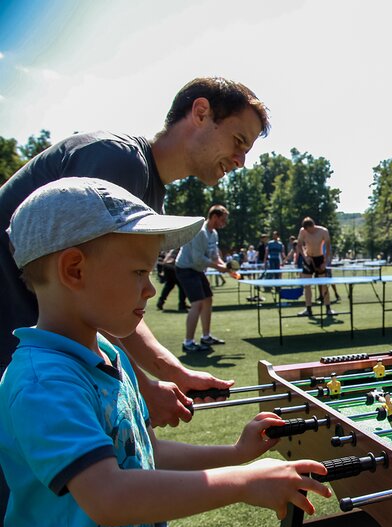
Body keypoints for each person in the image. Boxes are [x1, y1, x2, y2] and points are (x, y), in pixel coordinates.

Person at [0, 178, 331, 527]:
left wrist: (236, 453)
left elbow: (145, 455)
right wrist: (243, 482)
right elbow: (109, 496)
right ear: (74, 270)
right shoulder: (43, 382)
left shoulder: (109, 353)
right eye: (139, 272)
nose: (151, 289)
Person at [0, 76, 265, 421]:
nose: (241, 160)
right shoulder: (119, 161)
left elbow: (116, 298)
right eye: (238, 141)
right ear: (200, 112)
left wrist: (173, 373)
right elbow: (96, 293)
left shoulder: (145, 185)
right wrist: (142, 386)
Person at [175, 205, 231, 352]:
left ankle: (206, 337)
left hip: (197, 269)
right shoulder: (201, 232)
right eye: (223, 220)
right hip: (186, 268)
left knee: (208, 299)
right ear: (214, 217)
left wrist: (224, 265)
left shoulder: (214, 234)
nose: (224, 223)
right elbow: (197, 259)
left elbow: (214, 254)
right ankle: (188, 343)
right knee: (198, 303)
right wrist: (219, 268)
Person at [297, 217, 334, 318]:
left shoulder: (323, 231)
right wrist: (305, 257)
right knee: (307, 285)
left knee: (323, 285)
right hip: (309, 259)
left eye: (309, 229)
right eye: (306, 230)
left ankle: (328, 308)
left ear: (313, 226)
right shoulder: (303, 231)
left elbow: (328, 247)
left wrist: (325, 262)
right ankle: (308, 309)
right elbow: (299, 246)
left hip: (320, 259)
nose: (309, 232)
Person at [156, 247, 188, 312]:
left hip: (167, 266)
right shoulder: (184, 248)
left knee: (169, 285)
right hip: (174, 266)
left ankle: (160, 302)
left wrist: (162, 270)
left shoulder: (175, 248)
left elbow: (167, 257)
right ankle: (182, 305)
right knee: (182, 286)